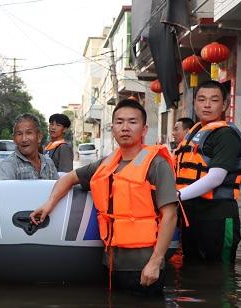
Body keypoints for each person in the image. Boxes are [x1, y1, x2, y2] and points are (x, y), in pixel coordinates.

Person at [30, 99, 177, 295]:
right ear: (113, 128)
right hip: (111, 264)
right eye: (119, 122)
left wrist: (156, 262)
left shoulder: (157, 164)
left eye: (132, 122)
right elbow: (69, 178)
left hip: (144, 265)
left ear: (144, 129)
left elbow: (170, 215)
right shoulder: (107, 163)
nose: (125, 127)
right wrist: (49, 204)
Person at [175, 80, 241, 264]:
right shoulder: (194, 131)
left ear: (224, 105)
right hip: (191, 215)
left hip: (217, 218)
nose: (207, 105)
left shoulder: (226, 135)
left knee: (219, 275)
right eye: (201, 99)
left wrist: (175, 196)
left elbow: (216, 178)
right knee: (192, 270)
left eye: (214, 100)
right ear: (194, 103)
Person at [0, 113, 59, 180]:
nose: (24, 139)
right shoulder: (9, 165)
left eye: (29, 133)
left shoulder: (48, 163)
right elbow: (6, 190)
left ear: (39, 137)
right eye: (19, 134)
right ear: (14, 139)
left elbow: (58, 187)